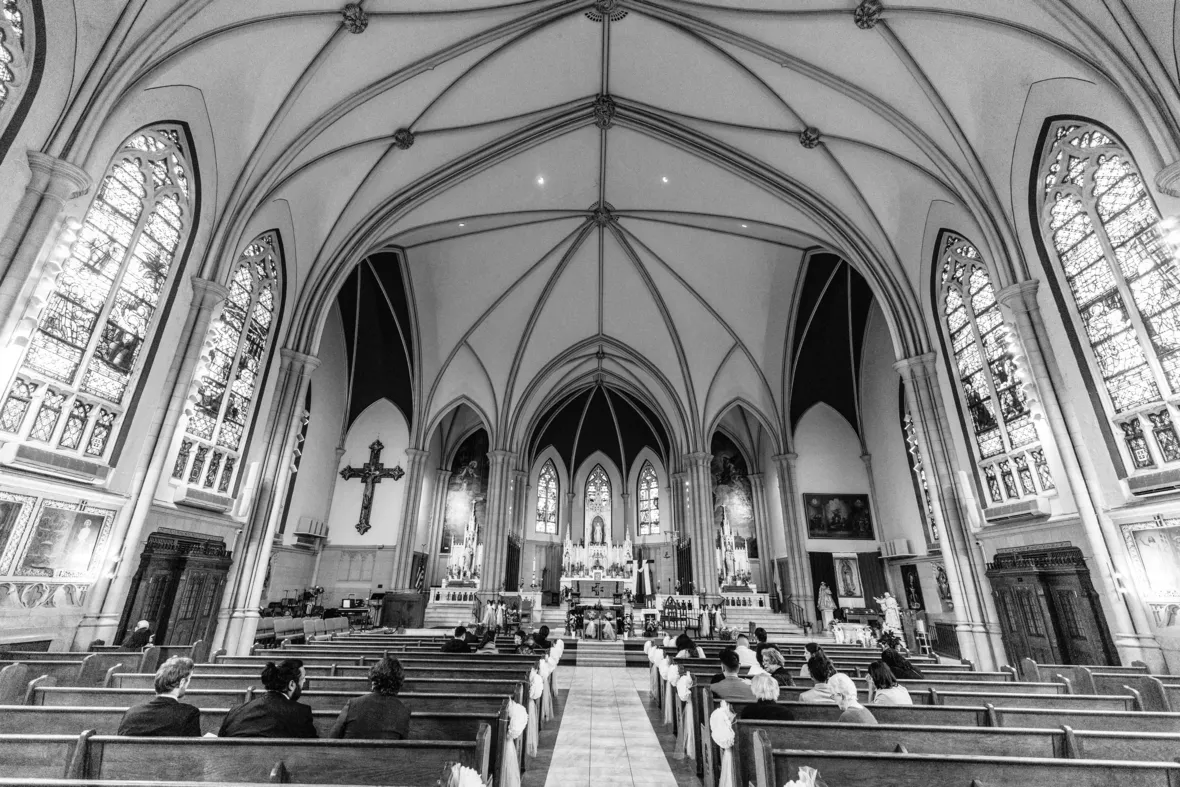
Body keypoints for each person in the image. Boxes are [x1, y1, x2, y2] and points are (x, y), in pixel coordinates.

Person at [218, 659, 316, 738]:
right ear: (291, 684)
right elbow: (312, 751)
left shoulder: (235, 711)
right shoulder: (301, 713)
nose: (304, 683)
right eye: (303, 679)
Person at [117, 656, 201, 737]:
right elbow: (193, 750)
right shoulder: (189, 713)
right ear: (182, 682)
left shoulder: (131, 713)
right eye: (189, 680)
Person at [328, 656, 410, 739]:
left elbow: (333, 738)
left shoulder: (353, 704)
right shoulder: (404, 710)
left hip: (350, 752)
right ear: (398, 683)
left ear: (374, 680)